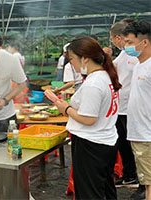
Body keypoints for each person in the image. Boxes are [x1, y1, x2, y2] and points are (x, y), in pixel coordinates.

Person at [45, 36, 121, 199]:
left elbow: (88, 119)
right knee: (105, 187)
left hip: (91, 144)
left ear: (85, 59)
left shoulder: (93, 83)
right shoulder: (104, 76)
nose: (71, 63)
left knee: (89, 192)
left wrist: (65, 108)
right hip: (105, 140)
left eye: (71, 59)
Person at [104, 19, 141, 189]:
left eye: (129, 41)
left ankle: (141, 181)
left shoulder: (136, 55)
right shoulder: (125, 54)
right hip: (121, 107)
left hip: (132, 108)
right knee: (124, 145)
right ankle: (129, 176)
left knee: (136, 146)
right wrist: (107, 58)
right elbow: (114, 70)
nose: (126, 44)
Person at [122, 20, 151, 200]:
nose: (126, 47)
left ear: (145, 42)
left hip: (148, 134)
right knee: (147, 182)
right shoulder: (139, 64)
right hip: (139, 133)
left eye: (130, 42)